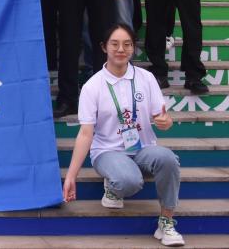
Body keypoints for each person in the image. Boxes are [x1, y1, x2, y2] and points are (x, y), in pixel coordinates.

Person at [62, 24, 185, 247]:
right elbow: (85, 133)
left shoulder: (146, 78)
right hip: (107, 151)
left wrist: (166, 122)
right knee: (129, 181)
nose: (121, 49)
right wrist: (71, 175)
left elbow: (163, 118)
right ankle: (113, 186)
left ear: (133, 48)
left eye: (127, 44)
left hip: (143, 148)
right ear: (104, 47)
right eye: (115, 44)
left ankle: (166, 222)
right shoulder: (92, 86)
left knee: (168, 159)